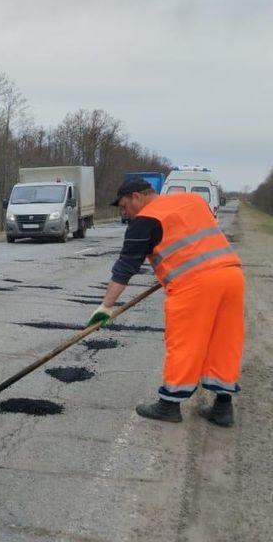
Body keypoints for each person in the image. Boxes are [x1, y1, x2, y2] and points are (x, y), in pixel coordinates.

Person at [87, 178, 244, 426]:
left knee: (185, 343)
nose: (125, 212)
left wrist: (106, 306)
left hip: (195, 285)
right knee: (223, 342)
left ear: (137, 196)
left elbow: (125, 269)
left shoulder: (145, 221)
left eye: (125, 206)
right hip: (231, 275)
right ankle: (223, 408)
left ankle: (169, 405)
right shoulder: (193, 200)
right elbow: (191, 240)